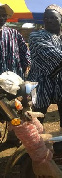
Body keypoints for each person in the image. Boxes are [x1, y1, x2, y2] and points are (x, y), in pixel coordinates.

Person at [0, 3, 31, 148]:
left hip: (12, 81)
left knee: (14, 109)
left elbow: (25, 52)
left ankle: (13, 137)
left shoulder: (13, 33)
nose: (1, 17)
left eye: (3, 15)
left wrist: (24, 69)